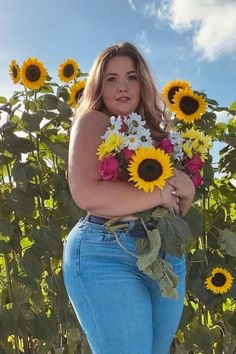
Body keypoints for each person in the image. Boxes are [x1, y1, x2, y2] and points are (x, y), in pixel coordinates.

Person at [62, 42, 195, 354]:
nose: (122, 86)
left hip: (163, 252)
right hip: (105, 252)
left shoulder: (156, 132)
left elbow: (171, 209)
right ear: (99, 85)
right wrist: (158, 191)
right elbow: (87, 193)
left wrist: (184, 193)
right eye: (111, 78)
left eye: (131, 77)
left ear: (142, 83)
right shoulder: (94, 121)